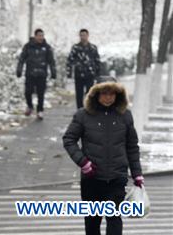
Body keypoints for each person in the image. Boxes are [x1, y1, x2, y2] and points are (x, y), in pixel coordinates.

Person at [62, 78, 144, 235]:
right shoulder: (82, 115)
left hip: (116, 178)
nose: (108, 97)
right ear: (96, 94)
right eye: (105, 93)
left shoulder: (125, 115)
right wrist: (83, 163)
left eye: (112, 93)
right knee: (92, 223)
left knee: (114, 220)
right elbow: (69, 139)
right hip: (91, 180)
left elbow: (132, 147)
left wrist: (137, 174)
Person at [16, 28, 56, 119]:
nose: (41, 38)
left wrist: (53, 71)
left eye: (42, 36)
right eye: (39, 36)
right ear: (35, 36)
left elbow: (51, 61)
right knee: (28, 92)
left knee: (41, 93)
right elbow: (22, 59)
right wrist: (19, 69)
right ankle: (29, 106)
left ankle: (40, 110)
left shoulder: (46, 47)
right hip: (30, 73)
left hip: (42, 74)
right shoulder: (28, 46)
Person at [67, 29, 102, 109]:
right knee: (79, 94)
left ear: (88, 35)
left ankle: (89, 108)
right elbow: (70, 60)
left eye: (84, 35)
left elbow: (97, 61)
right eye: (81, 35)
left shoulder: (93, 48)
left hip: (90, 74)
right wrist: (69, 73)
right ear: (79, 36)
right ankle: (79, 109)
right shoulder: (75, 48)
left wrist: (98, 74)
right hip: (79, 74)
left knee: (90, 93)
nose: (83, 37)